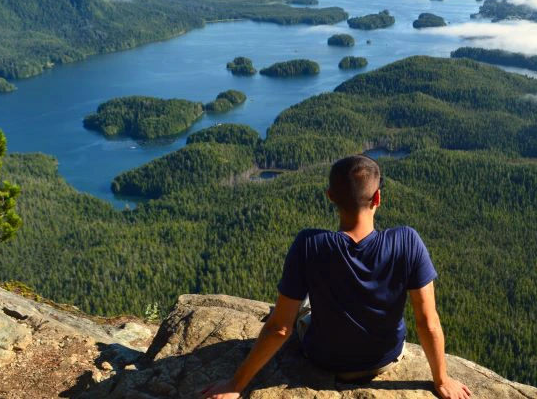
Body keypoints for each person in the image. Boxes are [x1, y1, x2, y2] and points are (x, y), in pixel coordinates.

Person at [199, 154, 470, 399]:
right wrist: (442, 379)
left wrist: (235, 384)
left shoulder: (309, 244)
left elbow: (280, 329)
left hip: (324, 360)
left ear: (330, 196)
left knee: (300, 308)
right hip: (385, 358)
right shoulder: (407, 241)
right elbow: (427, 322)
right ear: (377, 198)